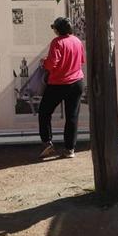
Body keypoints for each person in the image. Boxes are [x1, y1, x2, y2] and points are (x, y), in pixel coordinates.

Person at [38, 17, 85, 159]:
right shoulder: (77, 41)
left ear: (58, 29)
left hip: (58, 83)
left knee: (44, 112)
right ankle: (70, 149)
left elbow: (51, 64)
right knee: (72, 116)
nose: (54, 30)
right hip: (76, 82)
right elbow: (81, 60)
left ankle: (47, 143)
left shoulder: (57, 42)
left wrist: (43, 62)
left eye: (54, 28)